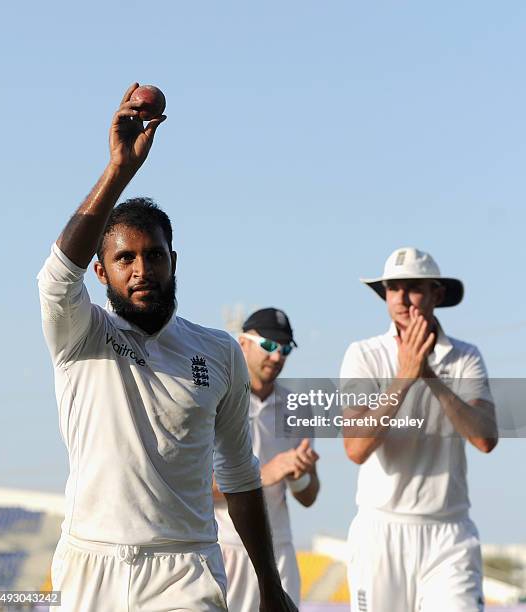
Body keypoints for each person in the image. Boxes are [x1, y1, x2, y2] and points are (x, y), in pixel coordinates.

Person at [37, 83, 297, 612]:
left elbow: (240, 475)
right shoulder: (80, 333)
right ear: (101, 270)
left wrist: (269, 586)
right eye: (125, 258)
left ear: (173, 261)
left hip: (184, 570)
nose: (141, 270)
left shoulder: (219, 352)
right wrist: (119, 169)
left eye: (153, 256)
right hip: (91, 565)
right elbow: (55, 278)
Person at [340, 247, 498, 612]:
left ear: (436, 294)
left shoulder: (466, 356)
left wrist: (429, 376)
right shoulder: (363, 354)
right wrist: (403, 378)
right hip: (381, 532)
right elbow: (355, 448)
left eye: (413, 287)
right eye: (393, 288)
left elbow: (485, 438)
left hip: (450, 534)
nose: (402, 299)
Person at [213, 308, 320, 611]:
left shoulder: (298, 408)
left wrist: (299, 474)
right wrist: (265, 474)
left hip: (280, 552)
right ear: (242, 343)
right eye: (269, 346)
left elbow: (309, 496)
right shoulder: (215, 398)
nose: (277, 357)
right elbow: (191, 485)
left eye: (285, 349)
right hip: (226, 549)